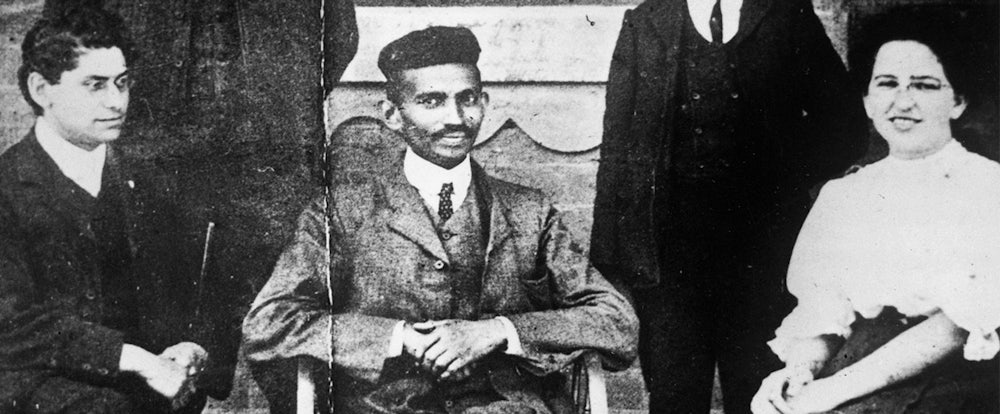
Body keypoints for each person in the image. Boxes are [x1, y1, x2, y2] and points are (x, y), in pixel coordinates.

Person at [243, 26, 639, 414]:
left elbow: (616, 321)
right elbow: (268, 322)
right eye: (432, 101)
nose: (456, 118)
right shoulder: (342, 212)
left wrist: (499, 331)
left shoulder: (529, 211)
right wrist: (399, 338)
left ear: (484, 102)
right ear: (392, 115)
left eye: (467, 99)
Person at [589, 0, 869, 412]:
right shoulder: (646, 21)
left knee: (760, 390)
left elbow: (847, 129)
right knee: (675, 394)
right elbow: (616, 145)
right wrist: (609, 259)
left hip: (765, 255)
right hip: (671, 260)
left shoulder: (785, 16)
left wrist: (778, 174)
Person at [751, 10, 1000, 414]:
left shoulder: (986, 187)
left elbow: (959, 324)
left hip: (957, 375)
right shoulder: (844, 195)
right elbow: (824, 311)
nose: (903, 101)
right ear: (867, 101)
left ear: (958, 101)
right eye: (887, 83)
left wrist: (832, 393)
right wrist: (799, 372)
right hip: (858, 365)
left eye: (924, 85)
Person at [0, 7, 214, 413]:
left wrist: (191, 347)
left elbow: (189, 295)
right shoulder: (7, 190)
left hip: (147, 395)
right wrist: (132, 358)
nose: (116, 102)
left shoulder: (149, 184)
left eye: (122, 83)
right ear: (41, 90)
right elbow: (11, 327)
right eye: (95, 85)